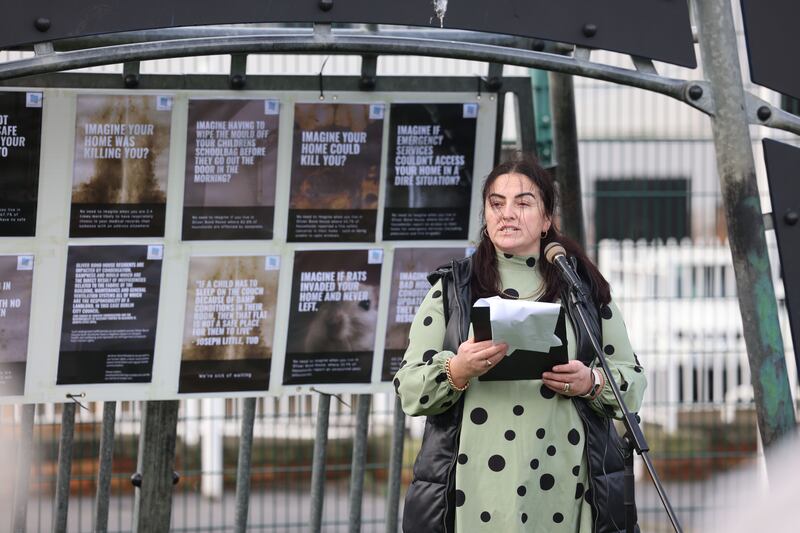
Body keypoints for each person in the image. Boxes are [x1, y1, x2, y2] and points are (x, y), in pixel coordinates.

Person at [394, 155, 646, 533]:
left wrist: (590, 383)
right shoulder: (451, 290)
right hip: (473, 490)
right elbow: (409, 388)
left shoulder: (583, 289)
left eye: (523, 203)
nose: (506, 213)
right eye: (496, 203)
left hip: (568, 483)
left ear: (546, 220)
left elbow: (632, 382)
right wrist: (457, 369)